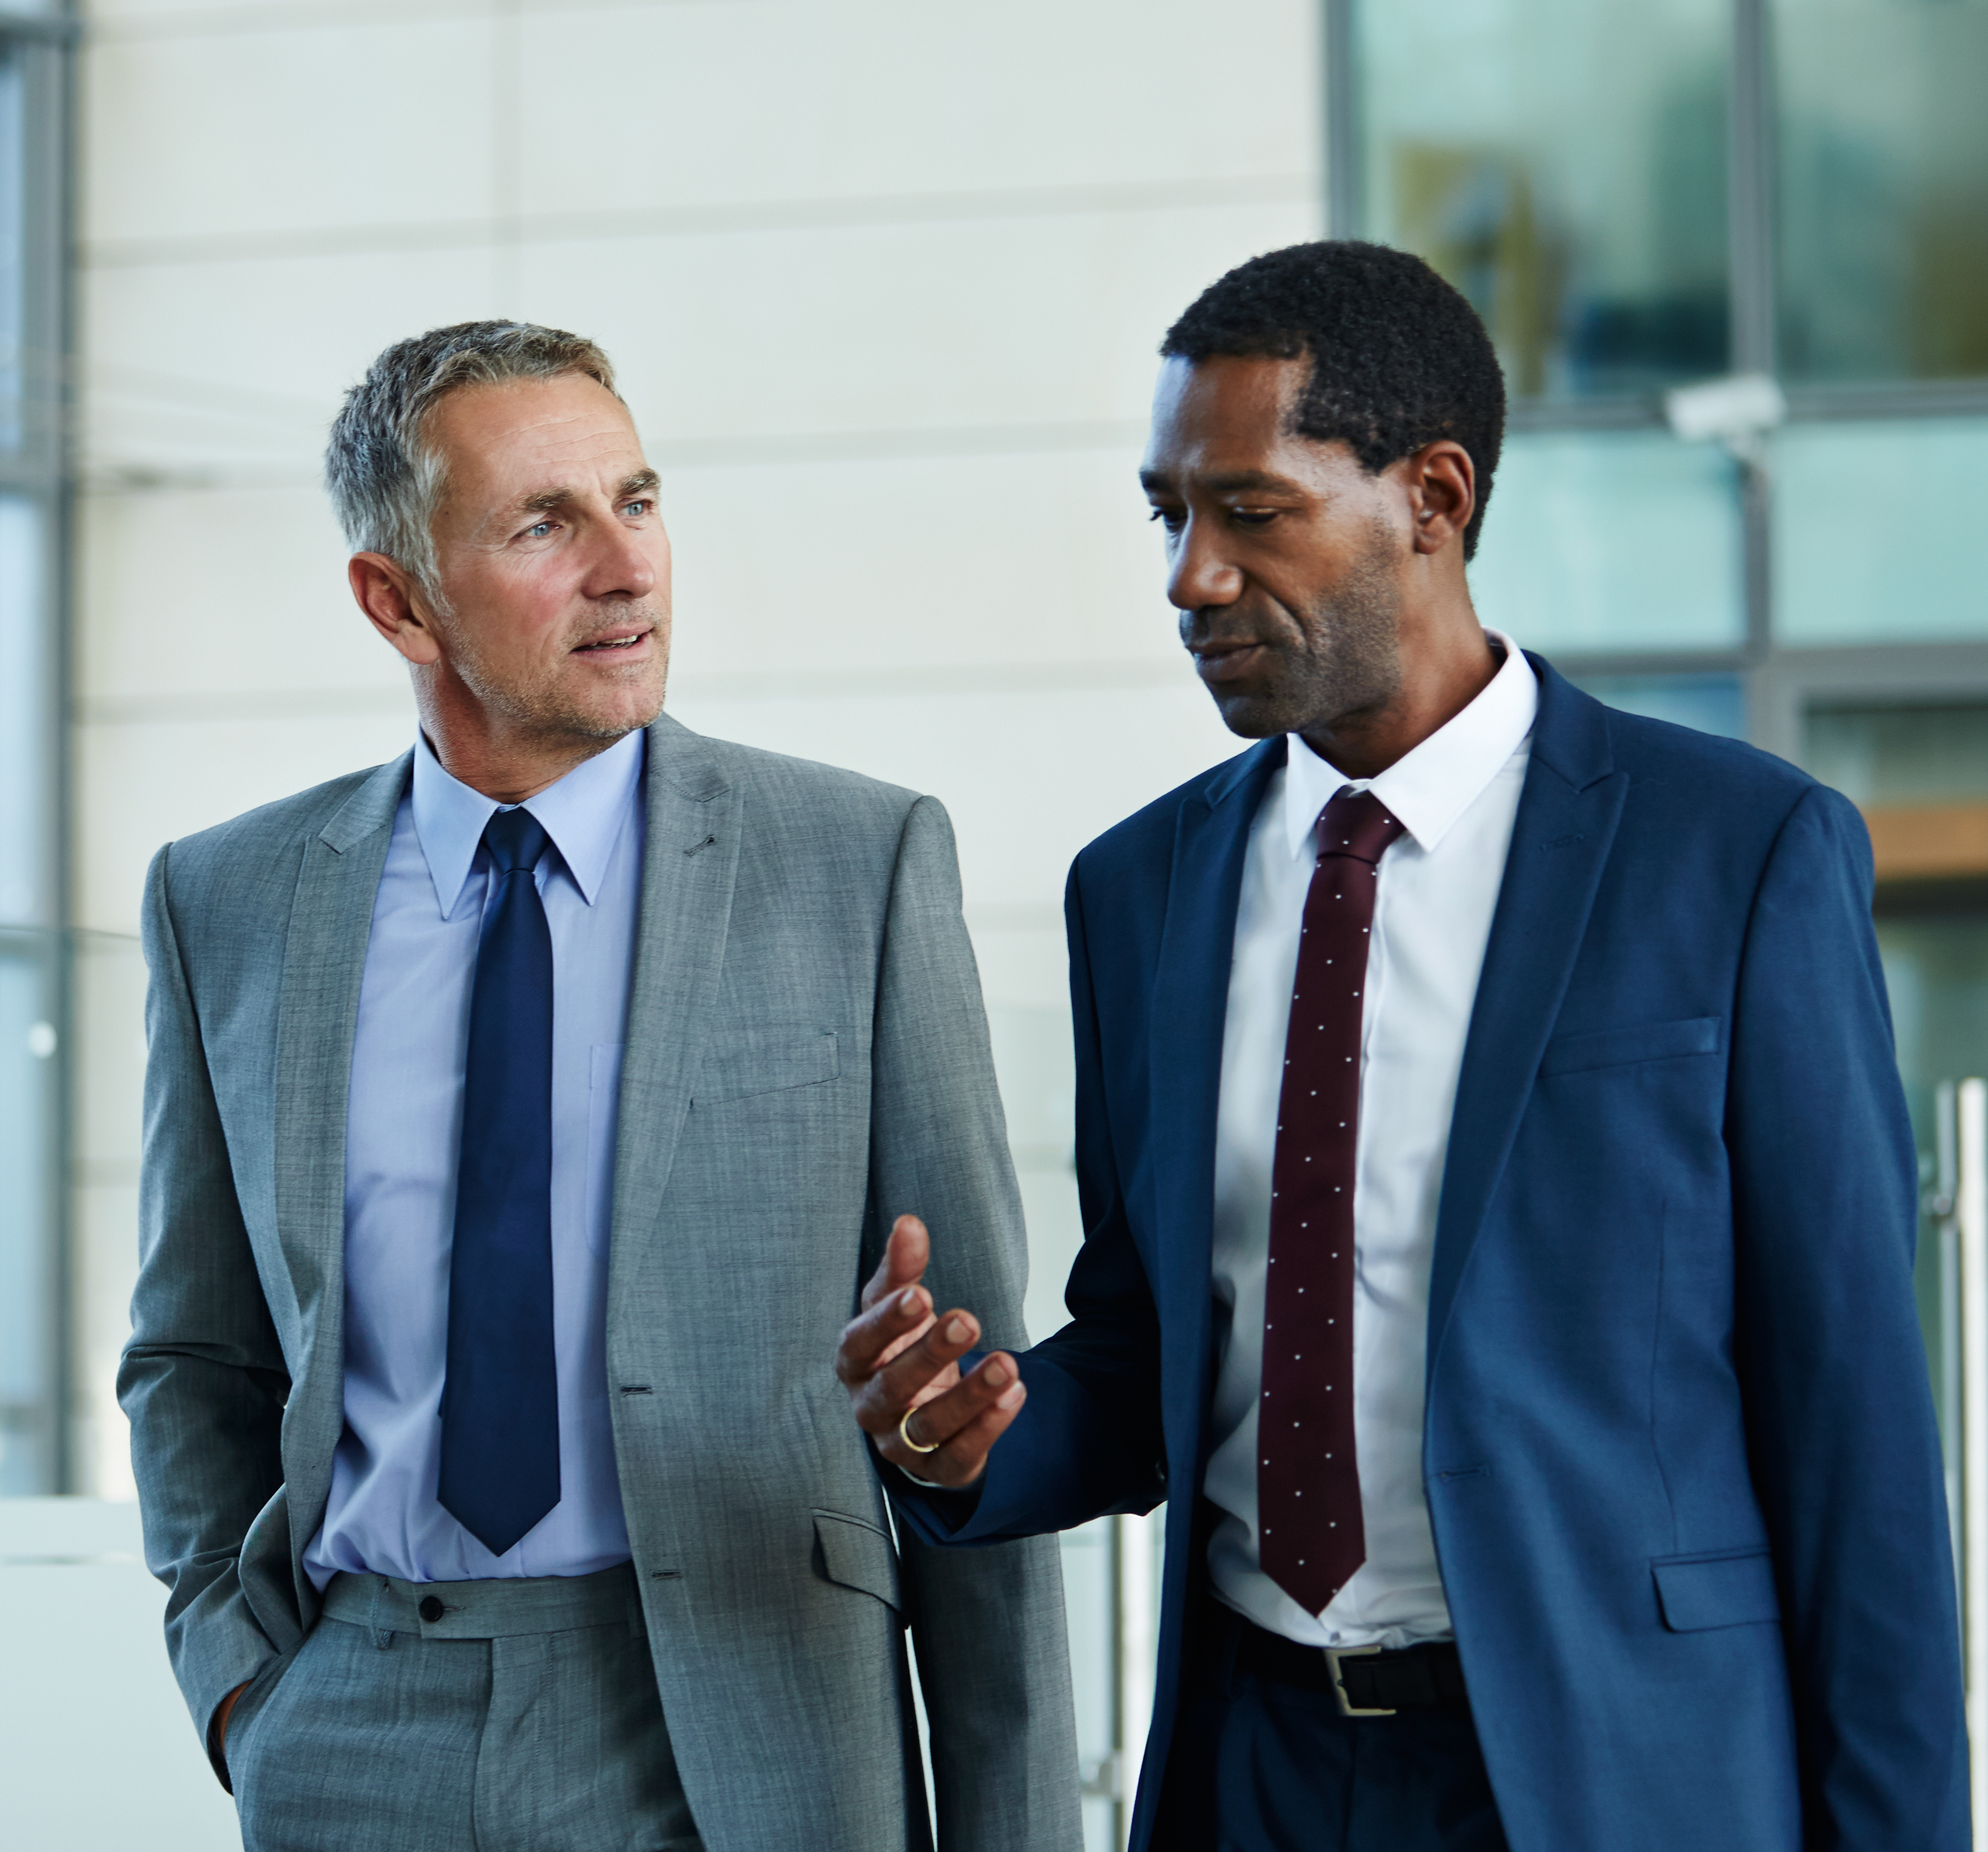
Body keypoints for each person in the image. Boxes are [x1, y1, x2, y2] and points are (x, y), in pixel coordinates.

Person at [838, 242, 1967, 1851]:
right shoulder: (1139, 892)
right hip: (1254, 1774)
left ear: (1431, 495)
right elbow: (1159, 1340)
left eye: (1250, 512)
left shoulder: (1740, 855)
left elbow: (1854, 1435)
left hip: (1610, 1779)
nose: (1190, 579)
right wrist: (980, 1436)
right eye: (1170, 516)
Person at [122, 320, 1076, 1852]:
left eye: (636, 501)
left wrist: (1015, 1830)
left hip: (750, 1726)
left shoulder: (856, 864)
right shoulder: (225, 901)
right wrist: (241, 1685)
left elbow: (973, 1394)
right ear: (398, 600)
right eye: (544, 525)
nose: (626, 569)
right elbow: (192, 1353)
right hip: (356, 1720)